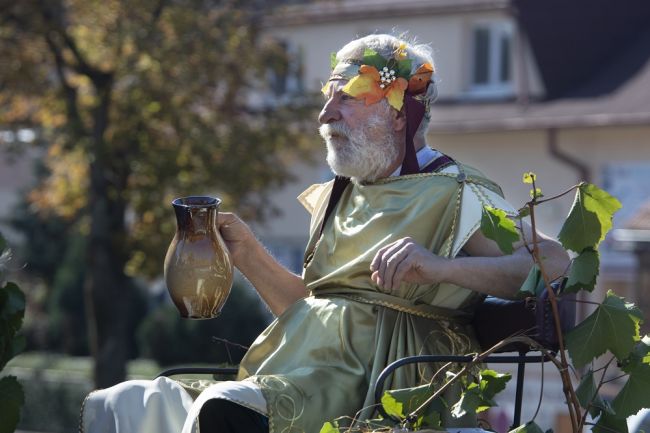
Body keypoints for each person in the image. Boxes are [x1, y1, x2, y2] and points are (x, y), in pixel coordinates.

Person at [80, 33, 569, 433]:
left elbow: (553, 262)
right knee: (124, 404)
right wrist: (247, 252)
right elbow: (312, 313)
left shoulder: (457, 191)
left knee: (225, 409)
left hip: (388, 385)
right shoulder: (338, 194)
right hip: (304, 374)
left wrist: (440, 267)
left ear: (399, 111)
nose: (326, 114)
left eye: (347, 96)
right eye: (327, 96)